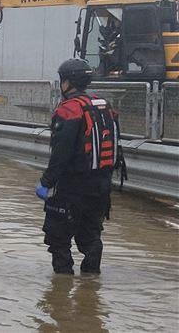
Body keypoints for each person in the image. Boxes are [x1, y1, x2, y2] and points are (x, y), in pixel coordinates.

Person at [36, 58, 122, 274]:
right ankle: (90, 287)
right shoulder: (104, 105)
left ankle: (61, 295)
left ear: (67, 82)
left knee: (58, 238)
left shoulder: (69, 110)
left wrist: (46, 182)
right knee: (91, 236)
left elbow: (61, 153)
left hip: (73, 186)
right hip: (102, 186)